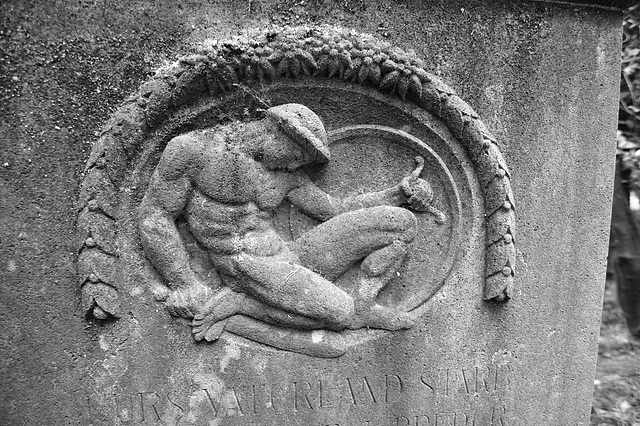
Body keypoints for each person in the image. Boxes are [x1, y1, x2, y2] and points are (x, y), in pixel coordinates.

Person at [138, 103, 443, 342]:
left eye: (303, 160)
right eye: (299, 153)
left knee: (399, 224)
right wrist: (184, 283)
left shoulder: (286, 175)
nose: (298, 163)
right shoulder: (194, 151)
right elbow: (155, 216)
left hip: (289, 256)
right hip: (245, 267)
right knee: (339, 312)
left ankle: (364, 304)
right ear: (277, 129)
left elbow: (334, 209)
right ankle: (240, 303)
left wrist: (398, 194)